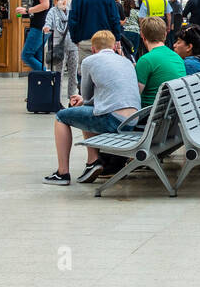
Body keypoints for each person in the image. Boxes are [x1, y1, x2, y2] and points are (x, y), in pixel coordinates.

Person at [42, 31, 141, 186]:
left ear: (93, 48)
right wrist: (86, 101)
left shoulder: (90, 61)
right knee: (86, 113)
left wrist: (81, 99)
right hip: (132, 120)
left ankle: (63, 173)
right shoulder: (126, 61)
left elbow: (87, 97)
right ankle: (91, 162)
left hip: (113, 120)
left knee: (61, 116)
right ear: (114, 46)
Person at [69, 0, 122, 68]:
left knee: (85, 70)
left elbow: (73, 20)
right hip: (105, 40)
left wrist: (75, 39)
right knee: (104, 69)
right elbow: (115, 18)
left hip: (85, 39)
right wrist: (117, 38)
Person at [134, 17, 184, 107]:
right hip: (171, 112)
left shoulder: (145, 60)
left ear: (142, 35)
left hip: (147, 113)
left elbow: (135, 94)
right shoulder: (177, 57)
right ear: (165, 35)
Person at [16, 0, 54, 73]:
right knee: (37, 56)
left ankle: (47, 76)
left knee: (26, 55)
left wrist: (27, 10)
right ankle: (42, 84)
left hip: (39, 26)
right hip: (43, 25)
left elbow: (45, 4)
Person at [43, 0, 80, 95]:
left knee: (73, 74)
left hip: (73, 45)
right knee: (59, 74)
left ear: (67, 0)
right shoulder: (52, 11)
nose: (60, 2)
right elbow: (48, 22)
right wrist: (46, 27)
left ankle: (72, 97)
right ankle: (56, 98)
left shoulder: (72, 12)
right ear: (55, 1)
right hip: (59, 46)